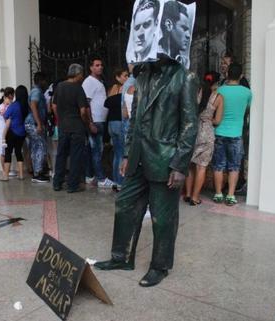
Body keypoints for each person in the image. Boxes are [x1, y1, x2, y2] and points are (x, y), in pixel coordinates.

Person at [94, 56, 199, 287]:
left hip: (165, 158)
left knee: (163, 218)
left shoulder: (185, 76)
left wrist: (180, 164)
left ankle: (160, 266)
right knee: (125, 204)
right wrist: (126, 153)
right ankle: (121, 257)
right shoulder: (142, 75)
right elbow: (134, 120)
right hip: (138, 157)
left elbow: (190, 124)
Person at [212, 63, 252, 206]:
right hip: (236, 133)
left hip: (219, 132)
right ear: (241, 76)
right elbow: (247, 110)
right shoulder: (247, 92)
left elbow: (212, 109)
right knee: (234, 166)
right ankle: (230, 195)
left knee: (218, 165)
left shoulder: (219, 90)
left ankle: (218, 193)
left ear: (227, 74)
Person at [184, 71, 224, 205]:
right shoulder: (218, 97)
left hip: (193, 130)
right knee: (201, 167)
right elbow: (217, 121)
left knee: (190, 165)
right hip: (206, 133)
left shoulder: (196, 93)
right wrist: (208, 118)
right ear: (217, 83)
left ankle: (188, 194)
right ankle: (195, 198)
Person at [52, 64, 91, 193]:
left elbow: (54, 106)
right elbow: (83, 111)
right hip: (76, 128)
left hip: (63, 127)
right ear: (77, 74)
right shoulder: (78, 89)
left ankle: (57, 182)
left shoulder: (60, 86)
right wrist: (87, 123)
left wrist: (60, 119)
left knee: (61, 155)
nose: (82, 76)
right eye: (82, 74)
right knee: (75, 156)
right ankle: (72, 185)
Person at [82, 56, 115, 188]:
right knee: (97, 151)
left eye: (101, 65)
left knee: (93, 150)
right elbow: (86, 103)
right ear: (90, 68)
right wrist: (90, 122)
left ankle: (90, 176)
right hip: (95, 121)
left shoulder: (98, 81)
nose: (100, 67)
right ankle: (101, 179)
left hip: (99, 120)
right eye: (96, 65)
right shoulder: (89, 82)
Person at [105, 68, 129, 187]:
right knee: (121, 153)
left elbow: (107, 104)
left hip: (111, 123)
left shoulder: (113, 90)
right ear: (118, 77)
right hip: (119, 123)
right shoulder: (122, 89)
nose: (127, 78)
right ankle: (120, 182)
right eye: (125, 76)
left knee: (117, 153)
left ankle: (116, 180)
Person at [26, 72, 50, 183]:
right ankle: (38, 173)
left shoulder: (36, 91)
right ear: (41, 81)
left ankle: (37, 171)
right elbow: (33, 105)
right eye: (45, 80)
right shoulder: (36, 91)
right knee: (40, 146)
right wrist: (39, 123)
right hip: (33, 123)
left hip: (32, 123)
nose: (46, 83)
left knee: (36, 147)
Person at [2, 85, 27, 181]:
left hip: (12, 132)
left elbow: (5, 115)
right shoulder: (25, 106)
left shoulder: (14, 105)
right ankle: (21, 175)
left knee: (8, 152)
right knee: (18, 152)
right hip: (22, 133)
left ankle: (5, 176)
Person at [0, 87, 15, 175]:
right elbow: (5, 118)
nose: (11, 99)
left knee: (7, 151)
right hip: (2, 132)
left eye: (12, 98)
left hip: (8, 131)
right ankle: (4, 171)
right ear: (5, 97)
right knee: (2, 152)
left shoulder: (8, 106)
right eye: (10, 98)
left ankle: (7, 170)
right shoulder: (1, 107)